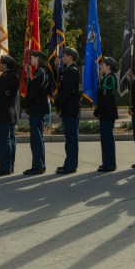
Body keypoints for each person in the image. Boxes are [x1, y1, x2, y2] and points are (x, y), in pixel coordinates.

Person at [21, 50, 50, 175]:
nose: (30, 60)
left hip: (37, 109)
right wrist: (28, 75)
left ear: (38, 58)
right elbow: (32, 87)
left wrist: (24, 103)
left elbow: (33, 91)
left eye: (32, 57)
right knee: (37, 138)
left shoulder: (41, 71)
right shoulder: (39, 72)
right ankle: (39, 165)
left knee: (36, 139)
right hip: (37, 109)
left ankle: (38, 166)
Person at [54, 47, 81, 175]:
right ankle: (69, 163)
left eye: (64, 55)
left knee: (71, 139)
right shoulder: (69, 70)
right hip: (69, 109)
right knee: (69, 138)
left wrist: (58, 105)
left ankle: (70, 166)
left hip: (70, 109)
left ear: (70, 56)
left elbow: (66, 93)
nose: (62, 57)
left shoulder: (72, 71)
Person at [95, 56, 119, 172]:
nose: (100, 66)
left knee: (107, 138)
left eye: (102, 64)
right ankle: (107, 162)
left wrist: (97, 111)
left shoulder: (110, 78)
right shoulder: (106, 78)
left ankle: (110, 164)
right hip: (105, 111)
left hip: (108, 112)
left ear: (108, 66)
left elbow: (106, 97)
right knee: (105, 138)